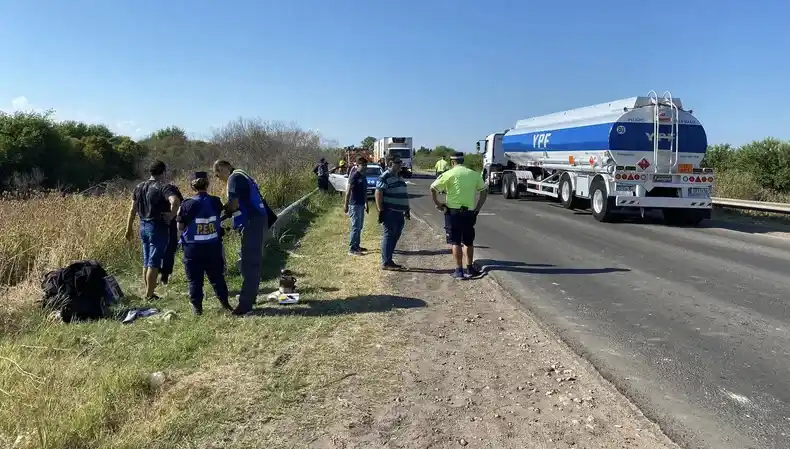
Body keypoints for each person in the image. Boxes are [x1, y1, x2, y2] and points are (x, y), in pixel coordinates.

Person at [213, 160, 269, 315]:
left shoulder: (233, 178)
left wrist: (219, 211)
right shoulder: (242, 174)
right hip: (256, 220)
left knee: (250, 262)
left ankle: (245, 305)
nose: (220, 180)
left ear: (223, 168)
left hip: (252, 222)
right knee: (248, 261)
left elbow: (233, 204)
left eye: (218, 176)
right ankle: (249, 296)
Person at [124, 160, 181, 300]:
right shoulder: (164, 187)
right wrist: (172, 214)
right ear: (164, 172)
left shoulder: (139, 187)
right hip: (157, 226)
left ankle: (148, 291)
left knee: (146, 260)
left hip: (143, 225)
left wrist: (128, 228)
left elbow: (132, 209)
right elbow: (175, 201)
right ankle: (149, 295)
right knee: (154, 262)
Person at [176, 172, 231, 315]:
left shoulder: (186, 204)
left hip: (193, 248)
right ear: (207, 184)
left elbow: (180, 228)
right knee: (217, 277)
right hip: (213, 245)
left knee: (194, 279)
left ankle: (197, 308)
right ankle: (225, 303)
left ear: (192, 186)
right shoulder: (216, 201)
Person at [430, 152, 488, 280]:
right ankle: (470, 268)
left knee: (455, 241)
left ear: (452, 162)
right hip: (469, 212)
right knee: (468, 241)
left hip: (453, 212)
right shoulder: (473, 174)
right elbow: (484, 191)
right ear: (463, 161)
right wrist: (477, 209)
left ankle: (459, 270)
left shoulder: (448, 174)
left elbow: (433, 188)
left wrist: (438, 204)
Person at [375, 157, 410, 270]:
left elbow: (403, 193)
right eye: (398, 163)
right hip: (390, 212)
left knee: (396, 235)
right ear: (390, 164)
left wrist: (407, 209)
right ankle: (386, 262)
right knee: (389, 235)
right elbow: (378, 193)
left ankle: (389, 259)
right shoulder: (385, 177)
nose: (400, 165)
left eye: (401, 162)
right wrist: (381, 210)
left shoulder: (398, 177)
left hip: (399, 213)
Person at [159, 182, 184, 285]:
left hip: (151, 224)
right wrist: (171, 216)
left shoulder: (143, 187)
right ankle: (164, 277)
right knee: (169, 250)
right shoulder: (169, 188)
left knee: (155, 251)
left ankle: (156, 277)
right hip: (168, 223)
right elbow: (178, 202)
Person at [344, 156, 370, 255]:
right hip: (353, 205)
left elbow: (364, 192)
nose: (364, 167)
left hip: (361, 204)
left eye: (365, 165)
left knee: (360, 226)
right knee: (355, 226)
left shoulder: (363, 177)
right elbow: (348, 191)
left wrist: (366, 203)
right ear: (358, 165)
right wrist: (346, 205)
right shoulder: (354, 175)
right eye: (363, 165)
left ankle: (357, 245)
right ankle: (352, 248)